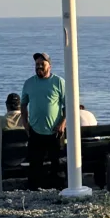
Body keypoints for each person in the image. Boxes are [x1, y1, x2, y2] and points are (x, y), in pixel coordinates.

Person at [21, 52, 66, 190]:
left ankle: (57, 190)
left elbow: (68, 105)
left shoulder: (59, 82)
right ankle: (34, 191)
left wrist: (62, 123)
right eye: (37, 64)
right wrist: (25, 123)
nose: (39, 66)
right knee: (35, 165)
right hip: (35, 131)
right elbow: (23, 104)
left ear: (49, 66)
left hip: (55, 131)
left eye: (42, 64)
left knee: (56, 164)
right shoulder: (29, 83)